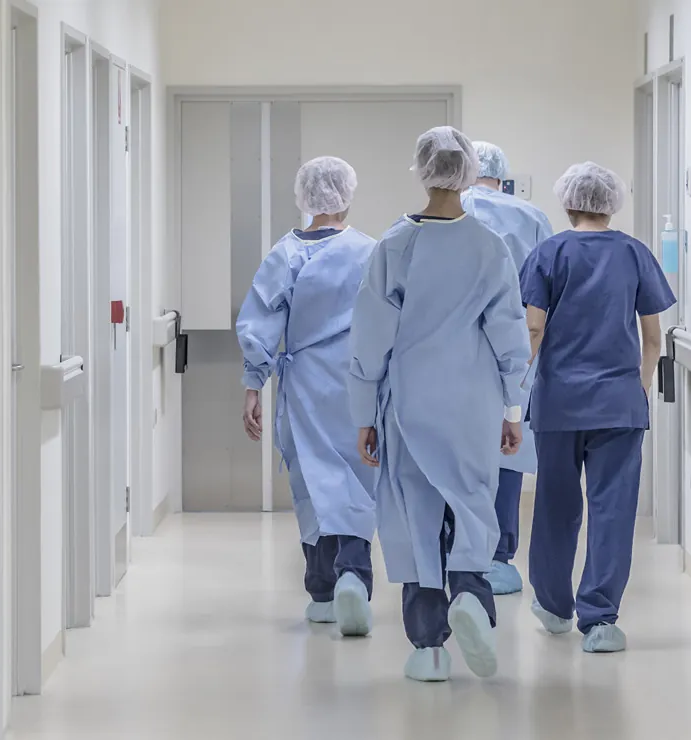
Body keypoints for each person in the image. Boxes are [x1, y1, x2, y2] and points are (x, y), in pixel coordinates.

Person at [347, 127, 529, 682]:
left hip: (410, 404)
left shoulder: (394, 247)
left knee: (416, 516)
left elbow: (370, 340)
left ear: (422, 171)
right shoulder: (490, 247)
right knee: (472, 502)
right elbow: (510, 336)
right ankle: (470, 592)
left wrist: (363, 416)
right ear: (469, 172)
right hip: (474, 403)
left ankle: (428, 649)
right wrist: (513, 409)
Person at [519, 162, 676, 654]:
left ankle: (553, 606)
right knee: (613, 510)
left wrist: (514, 388)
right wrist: (638, 389)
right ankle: (601, 619)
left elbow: (533, 329)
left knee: (555, 506)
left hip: (559, 403)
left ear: (568, 202)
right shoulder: (634, 253)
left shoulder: (549, 253)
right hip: (619, 404)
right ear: (612, 204)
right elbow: (653, 339)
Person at [236, 156, 378, 638]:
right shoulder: (370, 251)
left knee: (313, 482)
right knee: (357, 478)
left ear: (304, 197)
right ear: (347, 194)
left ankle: (322, 591)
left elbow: (259, 325)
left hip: (304, 385)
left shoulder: (286, 254)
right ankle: (354, 573)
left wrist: (253, 384)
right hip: (358, 382)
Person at [461, 141, 554, 596]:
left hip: (451, 353)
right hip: (517, 351)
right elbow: (548, 293)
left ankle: (456, 553)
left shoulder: (444, 214)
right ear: (503, 176)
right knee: (508, 445)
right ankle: (498, 558)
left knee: (452, 454)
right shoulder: (531, 217)